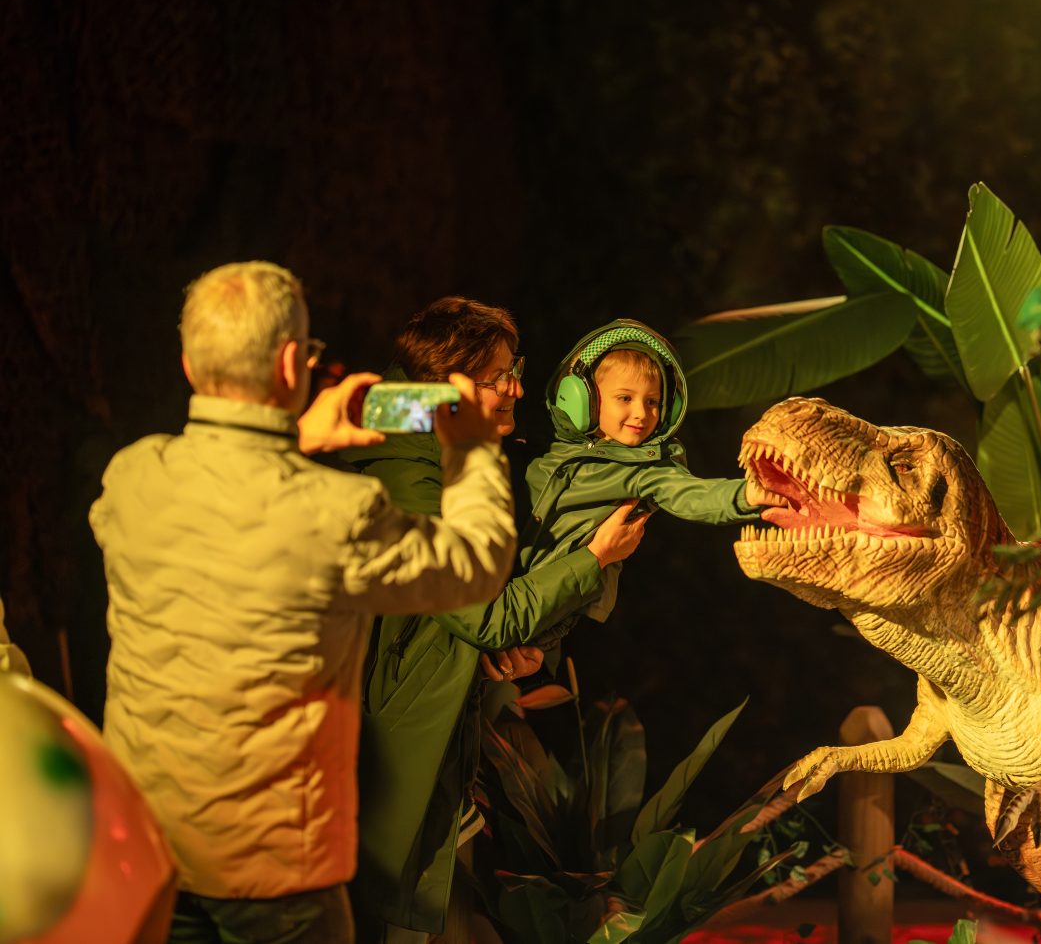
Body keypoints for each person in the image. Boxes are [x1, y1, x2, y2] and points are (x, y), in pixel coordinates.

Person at [90, 262, 518, 944]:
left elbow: (225, 486)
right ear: (293, 362)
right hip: (275, 873)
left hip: (147, 844)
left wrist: (294, 438)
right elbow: (477, 564)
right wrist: (469, 446)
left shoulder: (133, 475)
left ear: (188, 363)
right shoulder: (336, 512)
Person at [344, 297, 649, 943]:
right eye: (498, 376)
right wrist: (594, 558)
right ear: (446, 383)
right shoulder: (408, 469)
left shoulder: (435, 445)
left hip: (444, 768)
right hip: (397, 764)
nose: (517, 386)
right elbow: (487, 613)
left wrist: (513, 653)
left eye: (517, 369)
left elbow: (466, 620)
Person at [520, 318, 781, 622]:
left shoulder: (646, 470)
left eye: (653, 402)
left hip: (548, 618)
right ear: (582, 396)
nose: (642, 413)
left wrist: (749, 494)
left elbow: (695, 495)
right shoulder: (537, 448)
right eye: (625, 398)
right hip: (493, 596)